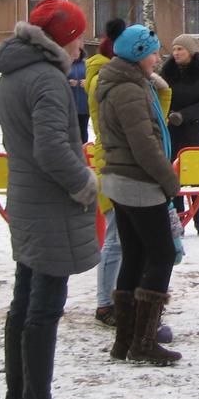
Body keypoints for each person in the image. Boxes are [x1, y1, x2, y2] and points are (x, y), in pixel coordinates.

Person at [0, 0, 98, 399]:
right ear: (61, 39)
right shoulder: (48, 80)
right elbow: (52, 149)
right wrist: (84, 183)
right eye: (77, 37)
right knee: (44, 307)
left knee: (23, 301)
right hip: (50, 206)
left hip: (26, 199)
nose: (81, 47)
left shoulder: (13, 74)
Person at [94, 24, 183, 367]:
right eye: (153, 53)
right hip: (138, 182)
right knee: (161, 255)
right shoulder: (129, 89)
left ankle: (125, 340)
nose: (157, 59)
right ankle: (143, 341)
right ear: (138, 54)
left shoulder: (123, 82)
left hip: (121, 180)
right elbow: (143, 145)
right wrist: (169, 181)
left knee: (134, 255)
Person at [85, 18, 126, 327]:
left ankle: (114, 297)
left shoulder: (103, 74)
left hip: (113, 161)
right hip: (111, 163)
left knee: (120, 236)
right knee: (114, 237)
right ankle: (104, 303)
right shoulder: (104, 78)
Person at [161, 34, 199, 235]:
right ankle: (178, 219)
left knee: (196, 177)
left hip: (195, 132)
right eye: (174, 49)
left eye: (180, 49)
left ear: (191, 52)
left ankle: (198, 220)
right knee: (175, 178)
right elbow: (161, 97)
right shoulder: (167, 72)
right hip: (172, 132)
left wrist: (184, 115)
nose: (176, 53)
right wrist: (168, 115)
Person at [68, 47, 89, 143]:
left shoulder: (86, 64)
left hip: (84, 105)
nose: (76, 53)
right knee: (70, 132)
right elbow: (58, 80)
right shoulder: (66, 65)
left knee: (83, 130)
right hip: (70, 105)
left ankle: (83, 149)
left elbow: (94, 79)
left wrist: (87, 82)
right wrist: (68, 82)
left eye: (78, 51)